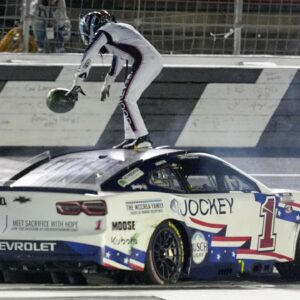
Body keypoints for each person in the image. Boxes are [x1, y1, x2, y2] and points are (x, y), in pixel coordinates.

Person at [67, 10, 163, 150]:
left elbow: (90, 52)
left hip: (146, 61)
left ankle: (143, 138)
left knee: (126, 99)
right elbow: (119, 57)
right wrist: (108, 83)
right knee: (128, 98)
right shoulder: (118, 28)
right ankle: (131, 137)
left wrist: (77, 82)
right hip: (151, 60)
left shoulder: (104, 31)